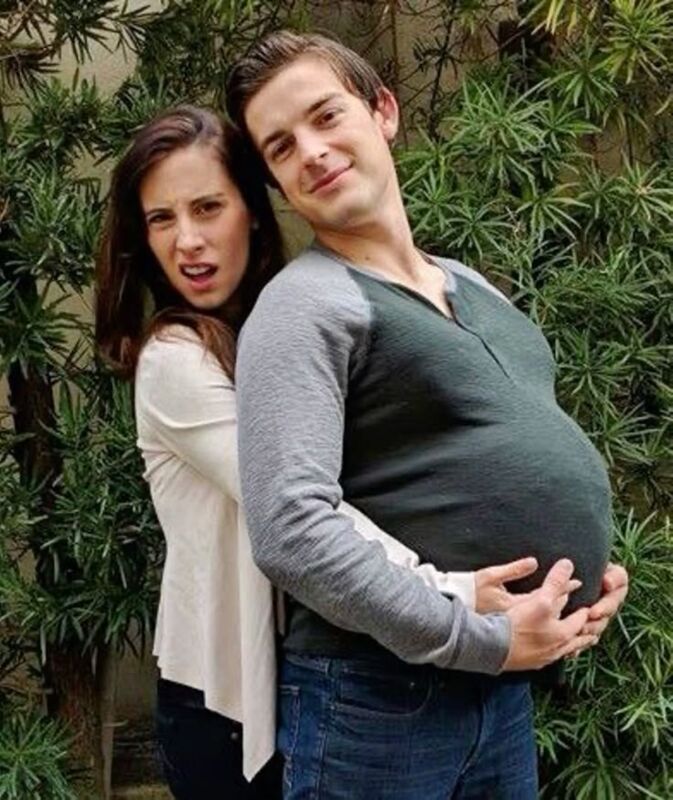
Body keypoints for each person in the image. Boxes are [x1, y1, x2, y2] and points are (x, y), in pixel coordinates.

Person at [94, 105, 548, 799]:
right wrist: (452, 594)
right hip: (228, 708)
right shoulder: (176, 360)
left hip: (339, 676)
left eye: (208, 207)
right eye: (161, 219)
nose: (187, 241)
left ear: (252, 212)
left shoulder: (293, 325)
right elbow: (301, 511)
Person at [226, 32, 630, 799]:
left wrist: (579, 591)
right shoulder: (301, 306)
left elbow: (517, 446)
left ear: (382, 111)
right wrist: (472, 635)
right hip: (376, 703)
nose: (311, 151)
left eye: (326, 116)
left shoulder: (471, 285)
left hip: (497, 697)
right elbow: (289, 527)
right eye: (281, 147)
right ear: (276, 181)